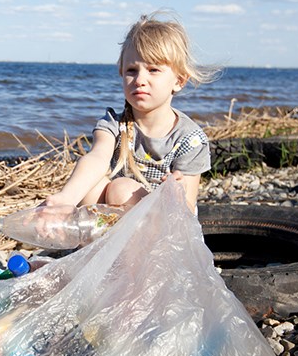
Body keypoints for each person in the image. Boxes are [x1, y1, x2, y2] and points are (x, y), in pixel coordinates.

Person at [45, 11, 218, 214]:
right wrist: (66, 199)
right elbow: (97, 158)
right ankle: (99, 237)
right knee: (91, 182)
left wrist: (176, 195)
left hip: (164, 226)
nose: (140, 80)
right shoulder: (113, 125)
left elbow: (188, 210)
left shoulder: (190, 139)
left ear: (179, 81)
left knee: (120, 189)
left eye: (153, 70)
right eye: (131, 70)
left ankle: (125, 243)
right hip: (118, 219)